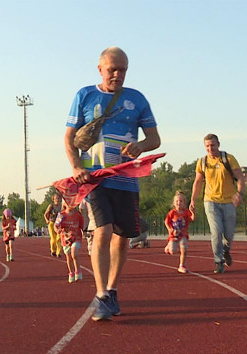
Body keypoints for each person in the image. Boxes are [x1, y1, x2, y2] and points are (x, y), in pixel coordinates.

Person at [64, 46, 160, 321]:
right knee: (103, 231)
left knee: (122, 238)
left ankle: (112, 289)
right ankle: (101, 295)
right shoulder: (84, 95)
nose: (118, 74)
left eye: (123, 70)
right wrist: (76, 166)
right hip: (94, 179)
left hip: (126, 179)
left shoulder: (137, 99)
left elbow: (155, 139)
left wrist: (140, 146)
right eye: (112, 69)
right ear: (100, 69)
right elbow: (69, 138)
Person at [189, 134, 245, 274]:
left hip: (229, 201)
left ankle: (226, 250)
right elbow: (197, 182)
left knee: (229, 234)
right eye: (207, 146)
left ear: (218, 144)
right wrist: (193, 200)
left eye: (212, 145)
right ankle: (218, 260)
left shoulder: (228, 159)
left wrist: (239, 194)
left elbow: (240, 178)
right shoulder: (202, 162)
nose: (210, 148)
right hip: (211, 201)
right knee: (216, 232)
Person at [164, 191, 195, 273]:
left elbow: (192, 219)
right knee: (173, 251)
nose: (179, 203)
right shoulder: (172, 212)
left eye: (181, 201)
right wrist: (170, 229)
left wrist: (193, 212)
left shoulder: (186, 212)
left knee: (184, 250)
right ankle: (168, 246)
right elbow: (166, 222)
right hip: (173, 235)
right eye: (177, 201)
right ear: (174, 203)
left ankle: (182, 265)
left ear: (184, 203)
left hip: (183, 235)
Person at [54, 202, 85, 283]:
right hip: (66, 239)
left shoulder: (78, 214)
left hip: (76, 237)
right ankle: (71, 272)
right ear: (65, 205)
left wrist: (84, 232)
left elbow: (81, 225)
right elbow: (56, 225)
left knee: (74, 253)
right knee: (68, 257)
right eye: (68, 204)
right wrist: (57, 230)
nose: (71, 206)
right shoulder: (62, 215)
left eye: (72, 204)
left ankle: (78, 271)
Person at [44, 193, 63, 257]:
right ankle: (53, 250)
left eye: (58, 198)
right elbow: (45, 214)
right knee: (53, 239)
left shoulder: (62, 206)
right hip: (52, 223)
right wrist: (47, 220)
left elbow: (64, 214)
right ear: (53, 199)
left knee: (59, 238)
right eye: (56, 198)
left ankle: (58, 252)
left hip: (59, 223)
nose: (57, 200)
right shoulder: (51, 206)